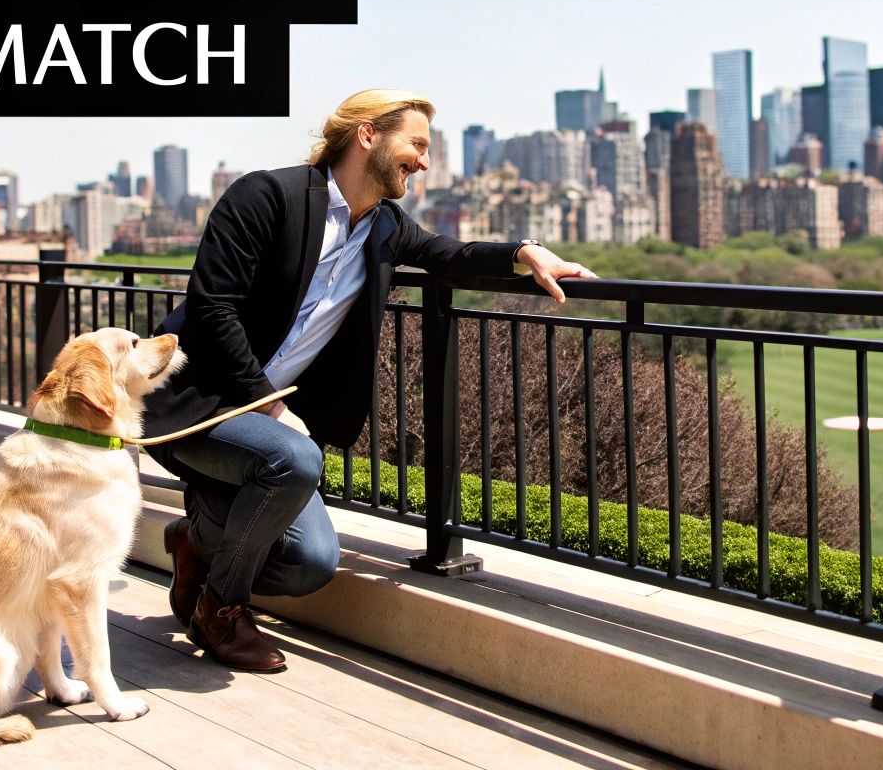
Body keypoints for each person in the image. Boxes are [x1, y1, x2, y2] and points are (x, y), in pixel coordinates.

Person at [142, 89, 596, 671]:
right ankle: (221, 608)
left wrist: (526, 253)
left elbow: (448, 254)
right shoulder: (266, 195)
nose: (425, 162)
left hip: (265, 426)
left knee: (312, 564)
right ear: (367, 136)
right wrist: (269, 405)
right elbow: (212, 308)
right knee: (297, 461)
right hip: (200, 403)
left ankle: (196, 540)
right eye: (417, 144)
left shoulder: (383, 226)